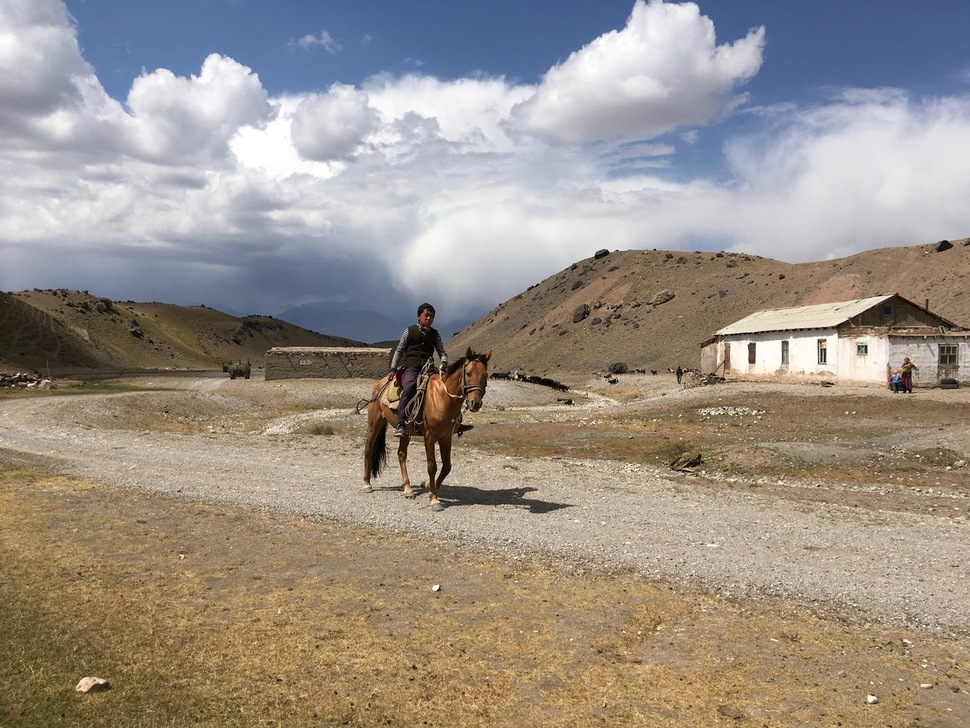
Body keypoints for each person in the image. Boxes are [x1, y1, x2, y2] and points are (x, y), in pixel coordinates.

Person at [389, 302, 448, 437]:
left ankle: (454, 421)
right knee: (409, 387)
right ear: (418, 316)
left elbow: (442, 352)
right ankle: (401, 424)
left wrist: (444, 361)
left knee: (445, 388)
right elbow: (399, 350)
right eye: (426, 315)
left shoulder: (435, 334)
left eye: (431, 317)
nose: (428, 319)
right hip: (411, 366)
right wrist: (393, 368)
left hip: (428, 368)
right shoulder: (409, 331)